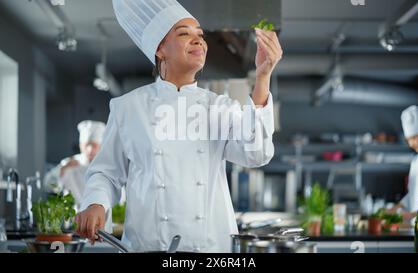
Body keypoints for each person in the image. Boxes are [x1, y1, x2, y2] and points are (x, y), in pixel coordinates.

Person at [75, 0, 282, 252]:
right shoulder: (128, 108)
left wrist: (262, 77)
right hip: (149, 246)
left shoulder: (221, 107)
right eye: (184, 34)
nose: (199, 41)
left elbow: (256, 153)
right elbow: (106, 172)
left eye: (201, 36)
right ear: (160, 48)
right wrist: (96, 203)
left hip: (210, 250)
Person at [388, 106, 418, 222]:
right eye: (408, 140)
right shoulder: (416, 161)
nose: (411, 144)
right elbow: (413, 194)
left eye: (412, 139)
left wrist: (413, 214)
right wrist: (395, 208)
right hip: (416, 224)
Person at [44, 120, 106, 206]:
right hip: (73, 215)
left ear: (100, 146)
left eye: (94, 145)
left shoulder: (106, 166)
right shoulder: (69, 163)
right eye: (87, 145)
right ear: (81, 145)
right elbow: (48, 185)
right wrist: (63, 169)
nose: (90, 149)